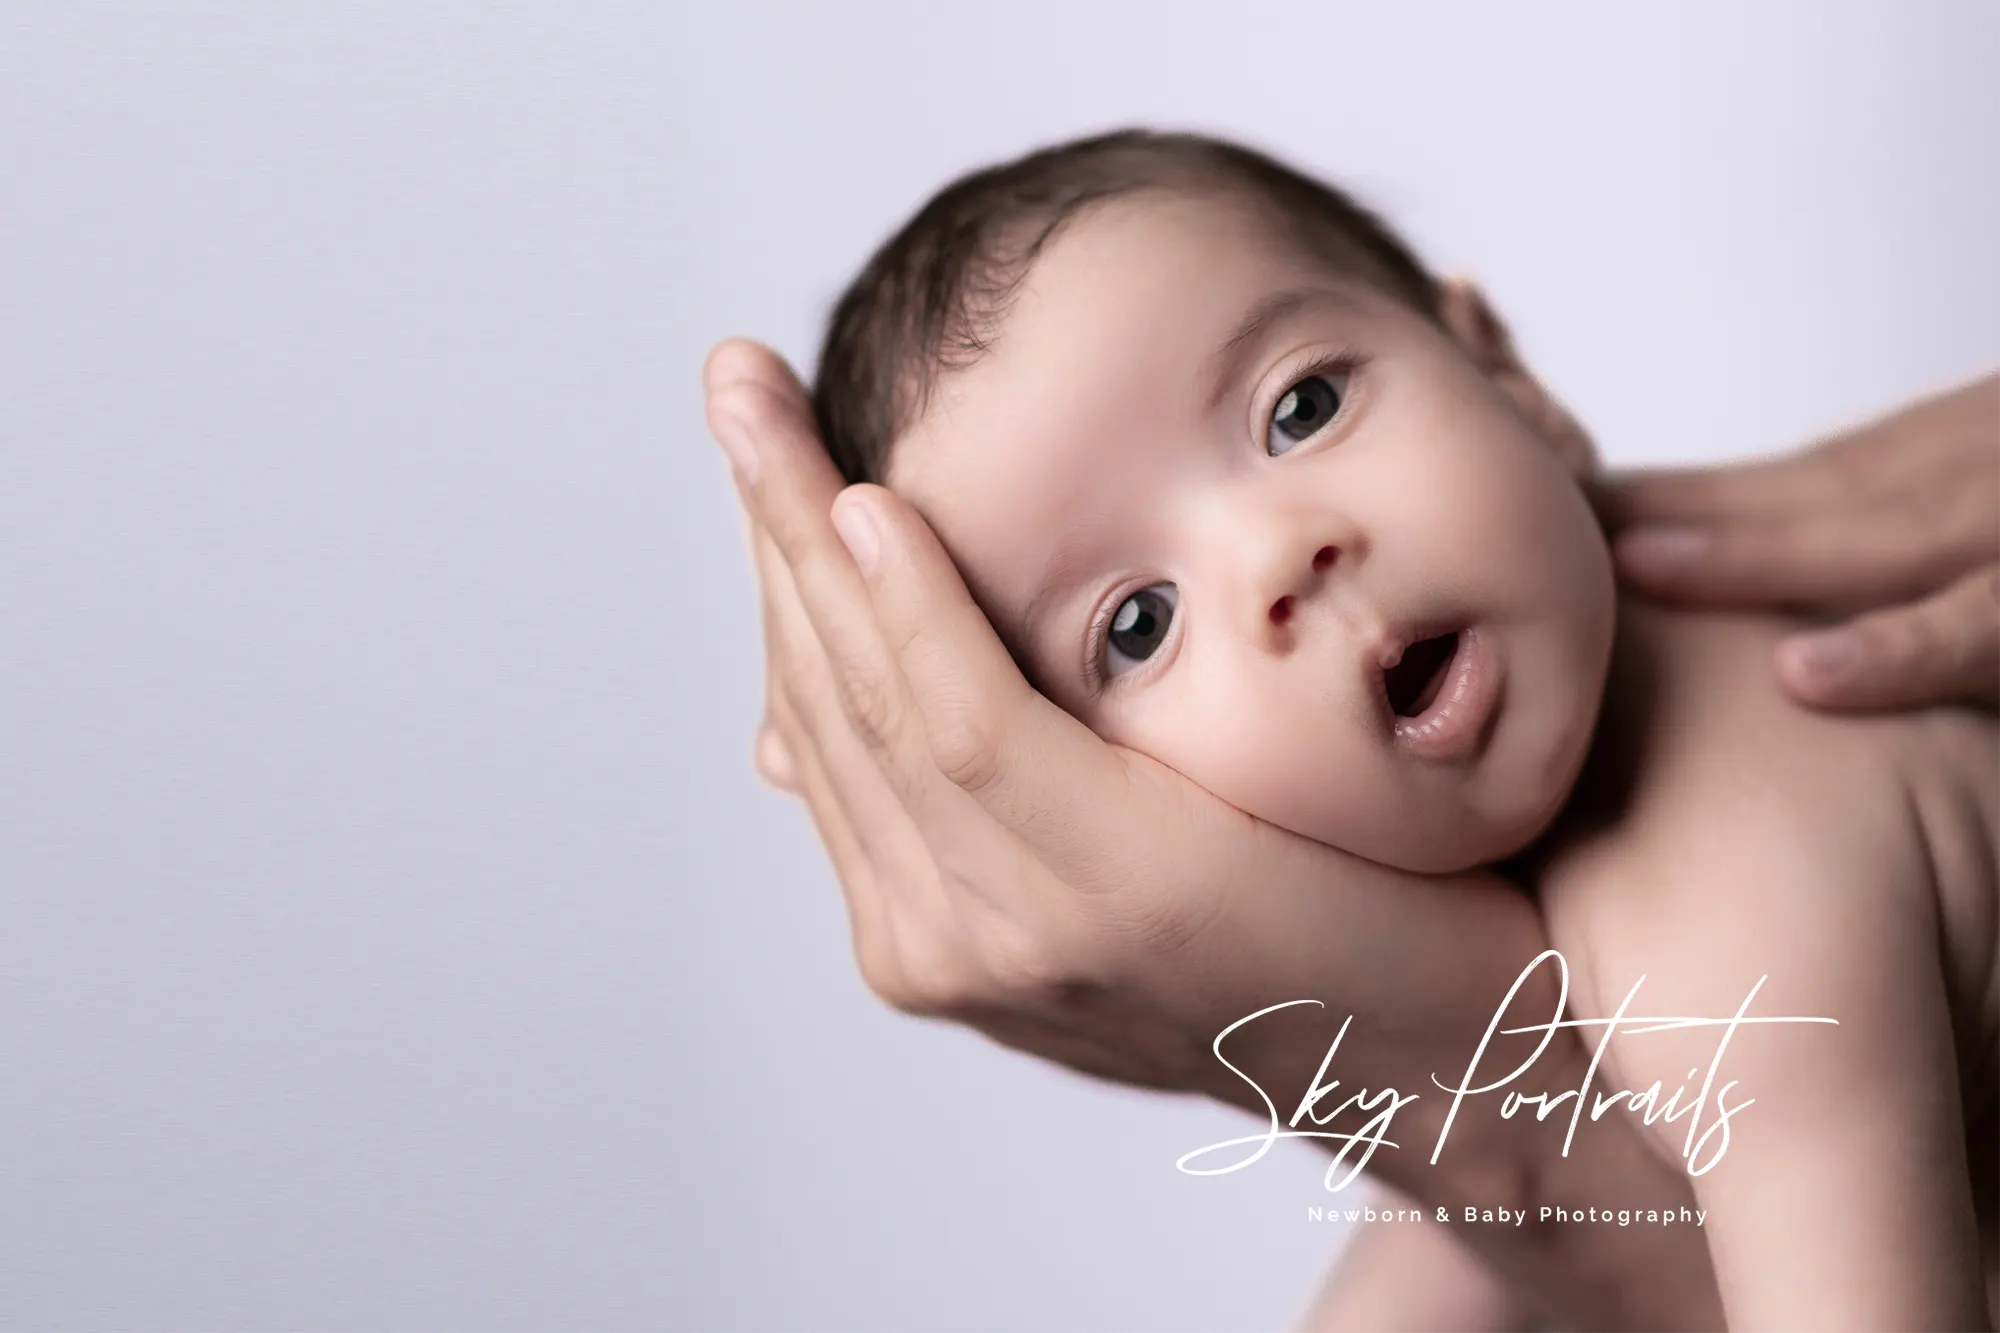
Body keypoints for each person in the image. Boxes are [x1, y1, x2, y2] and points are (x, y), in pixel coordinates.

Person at [707, 131, 2000, 1332]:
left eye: (1302, 408)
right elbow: (1453, 1241)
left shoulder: (1734, 907)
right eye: (1140, 625)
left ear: (1506, 373)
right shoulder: (1545, 896)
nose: (1282, 552)